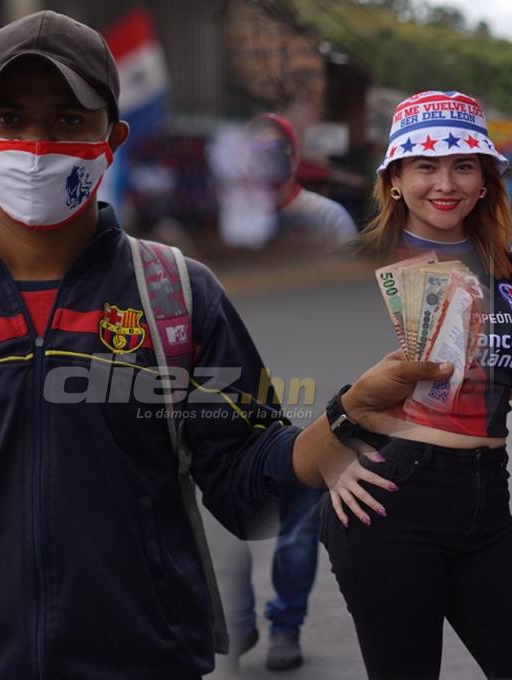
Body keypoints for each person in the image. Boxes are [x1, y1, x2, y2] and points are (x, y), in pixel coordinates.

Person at [0, 12, 450, 680]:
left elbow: (247, 487)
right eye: (10, 119)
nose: (36, 146)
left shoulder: (178, 297)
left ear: (111, 137)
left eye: (69, 120)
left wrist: (346, 418)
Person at [321, 90, 512, 680]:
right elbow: (283, 375)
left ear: (485, 179)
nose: (445, 181)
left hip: (487, 502)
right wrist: (328, 458)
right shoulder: (357, 262)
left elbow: (498, 374)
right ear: (396, 179)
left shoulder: (504, 266)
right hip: (391, 500)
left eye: (462, 165)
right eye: (425, 165)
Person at [217, 113, 354, 673]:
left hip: (306, 399)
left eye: (276, 151)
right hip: (229, 401)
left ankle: (286, 624)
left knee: (296, 529)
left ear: (294, 158)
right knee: (224, 525)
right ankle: (240, 619)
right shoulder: (227, 222)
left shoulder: (326, 221)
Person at [248, 113, 358, 250]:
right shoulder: (238, 222)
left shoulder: (328, 218)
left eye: (276, 147)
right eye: (255, 148)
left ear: (294, 160)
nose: (266, 156)